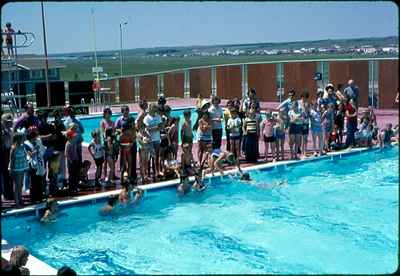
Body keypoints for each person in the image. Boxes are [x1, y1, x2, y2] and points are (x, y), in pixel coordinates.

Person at [24, 126, 46, 203]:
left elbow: (42, 151)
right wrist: (36, 149)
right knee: (33, 182)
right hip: (32, 165)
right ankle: (33, 198)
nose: (36, 138)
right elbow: (30, 154)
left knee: (39, 181)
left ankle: (39, 197)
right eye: (34, 136)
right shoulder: (26, 144)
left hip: (39, 164)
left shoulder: (37, 142)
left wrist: (39, 147)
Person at [8, 132, 29, 208]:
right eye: (23, 138)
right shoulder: (14, 148)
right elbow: (11, 160)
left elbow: (24, 157)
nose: (24, 139)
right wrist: (11, 170)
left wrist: (26, 167)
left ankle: (20, 200)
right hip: (16, 169)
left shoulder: (22, 146)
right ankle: (17, 203)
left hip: (22, 168)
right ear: (19, 139)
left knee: (20, 185)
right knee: (17, 186)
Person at [143, 103, 162, 178]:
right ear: (150, 108)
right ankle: (148, 173)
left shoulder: (158, 117)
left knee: (156, 156)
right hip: (149, 140)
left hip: (157, 139)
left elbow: (160, 127)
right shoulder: (147, 118)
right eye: (154, 108)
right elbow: (147, 129)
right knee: (149, 157)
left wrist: (153, 128)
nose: (155, 109)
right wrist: (156, 127)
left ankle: (156, 171)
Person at [1, 113, 14, 200]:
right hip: (4, 153)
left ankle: (10, 192)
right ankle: (7, 194)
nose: (10, 123)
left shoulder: (11, 130)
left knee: (10, 174)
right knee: (6, 174)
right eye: (8, 121)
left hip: (10, 152)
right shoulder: (3, 132)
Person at [99, 107, 114, 179]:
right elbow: (102, 132)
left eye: (109, 113)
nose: (108, 115)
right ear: (104, 114)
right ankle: (104, 175)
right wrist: (106, 139)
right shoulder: (103, 122)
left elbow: (114, 132)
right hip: (105, 142)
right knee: (105, 160)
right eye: (106, 113)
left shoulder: (112, 122)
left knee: (112, 158)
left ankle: (112, 174)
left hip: (112, 141)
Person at [65, 129, 79, 194]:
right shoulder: (68, 144)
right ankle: (71, 188)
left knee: (75, 174)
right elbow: (66, 154)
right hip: (71, 162)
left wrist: (77, 158)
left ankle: (75, 187)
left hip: (75, 160)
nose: (74, 137)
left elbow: (75, 151)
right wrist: (70, 161)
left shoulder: (73, 142)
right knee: (71, 175)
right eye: (73, 136)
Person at [298, 91, 311, 158]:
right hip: (300, 123)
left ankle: (305, 152)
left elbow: (309, 113)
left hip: (306, 123)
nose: (305, 99)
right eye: (304, 97)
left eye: (306, 98)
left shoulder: (307, 104)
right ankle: (301, 153)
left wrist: (307, 112)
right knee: (301, 138)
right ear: (302, 96)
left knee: (305, 138)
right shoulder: (298, 103)